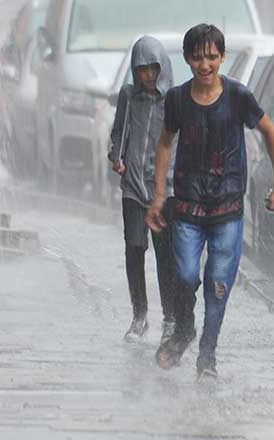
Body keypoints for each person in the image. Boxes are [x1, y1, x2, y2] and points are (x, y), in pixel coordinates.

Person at [145, 24, 274, 380]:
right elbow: (165, 143)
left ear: (223, 58)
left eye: (212, 56)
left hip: (227, 209)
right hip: (188, 208)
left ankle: (207, 355)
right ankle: (185, 327)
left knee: (218, 284)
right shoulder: (178, 99)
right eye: (197, 57)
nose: (205, 64)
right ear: (187, 60)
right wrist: (159, 196)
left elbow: (270, 132)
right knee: (184, 276)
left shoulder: (239, 97)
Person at [108, 35, 177, 344]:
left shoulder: (175, 100)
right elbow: (119, 131)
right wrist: (116, 156)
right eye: (142, 69)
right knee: (135, 249)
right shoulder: (128, 96)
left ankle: (172, 318)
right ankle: (139, 315)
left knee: (165, 255)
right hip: (133, 188)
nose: (148, 75)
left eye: (153, 68)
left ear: (162, 68)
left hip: (164, 190)